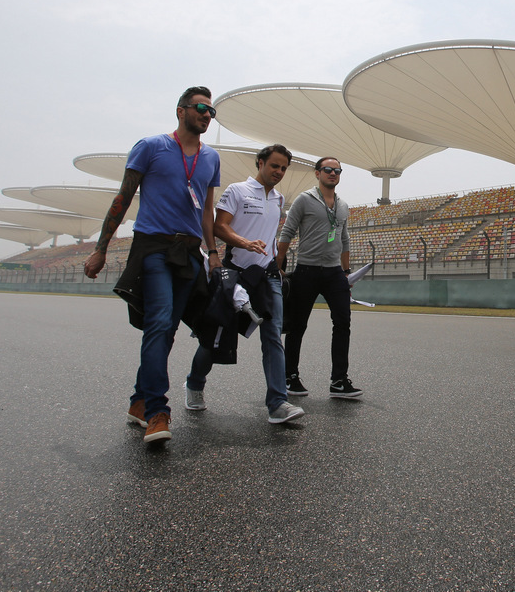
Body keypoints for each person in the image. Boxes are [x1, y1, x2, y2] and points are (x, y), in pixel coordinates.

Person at [84, 86, 221, 445]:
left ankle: (138, 400)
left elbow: (206, 210)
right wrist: (101, 249)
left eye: (212, 111)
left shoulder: (211, 159)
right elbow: (123, 197)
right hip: (155, 247)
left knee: (167, 329)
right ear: (180, 111)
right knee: (159, 322)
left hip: (190, 252)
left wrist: (213, 252)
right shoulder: (150, 146)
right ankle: (158, 411)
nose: (207, 115)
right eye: (201, 108)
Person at [185, 144, 303, 424]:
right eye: (274, 165)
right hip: (237, 274)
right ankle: (195, 383)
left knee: (273, 337)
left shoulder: (279, 198)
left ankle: (277, 404)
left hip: (268, 277)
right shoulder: (236, 190)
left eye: (284, 168)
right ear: (260, 163)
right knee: (216, 335)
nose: (279, 172)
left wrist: (276, 264)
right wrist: (244, 242)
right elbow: (219, 226)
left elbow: (270, 236)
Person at [277, 157, 362, 399]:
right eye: (328, 170)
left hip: (335, 272)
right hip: (307, 269)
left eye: (337, 171)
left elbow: (344, 239)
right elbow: (287, 231)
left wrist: (346, 273)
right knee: (297, 325)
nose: (333, 174)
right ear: (317, 173)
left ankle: (339, 380)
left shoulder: (343, 205)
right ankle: (290, 376)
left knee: (343, 322)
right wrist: (277, 266)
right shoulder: (305, 199)